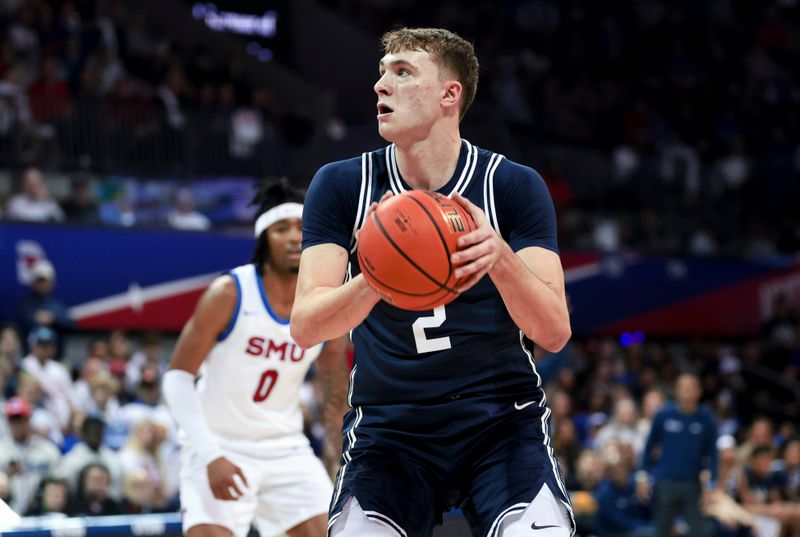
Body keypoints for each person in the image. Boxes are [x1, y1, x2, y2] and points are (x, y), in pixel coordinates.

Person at [292, 28, 573, 537]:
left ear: (450, 94)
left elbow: (553, 332)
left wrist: (500, 259)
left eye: (402, 72)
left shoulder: (510, 185)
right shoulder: (340, 184)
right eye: (382, 72)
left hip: (500, 421)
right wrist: (377, 277)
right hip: (390, 427)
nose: (381, 85)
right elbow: (306, 326)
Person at [163, 179, 349, 537]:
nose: (295, 237)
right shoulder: (230, 293)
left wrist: (338, 455)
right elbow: (177, 378)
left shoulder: (325, 302)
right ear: (264, 239)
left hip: (285, 449)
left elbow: (334, 386)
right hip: (218, 443)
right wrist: (209, 454)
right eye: (282, 229)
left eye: (301, 228)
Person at [640, 374, 717, 537]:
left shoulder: (706, 418)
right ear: (676, 391)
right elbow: (648, 448)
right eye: (684, 387)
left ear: (700, 391)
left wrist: (711, 485)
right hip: (666, 481)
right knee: (661, 530)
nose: (688, 391)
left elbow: (713, 454)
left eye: (692, 387)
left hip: (693, 483)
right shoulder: (663, 415)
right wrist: (642, 476)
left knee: (700, 531)